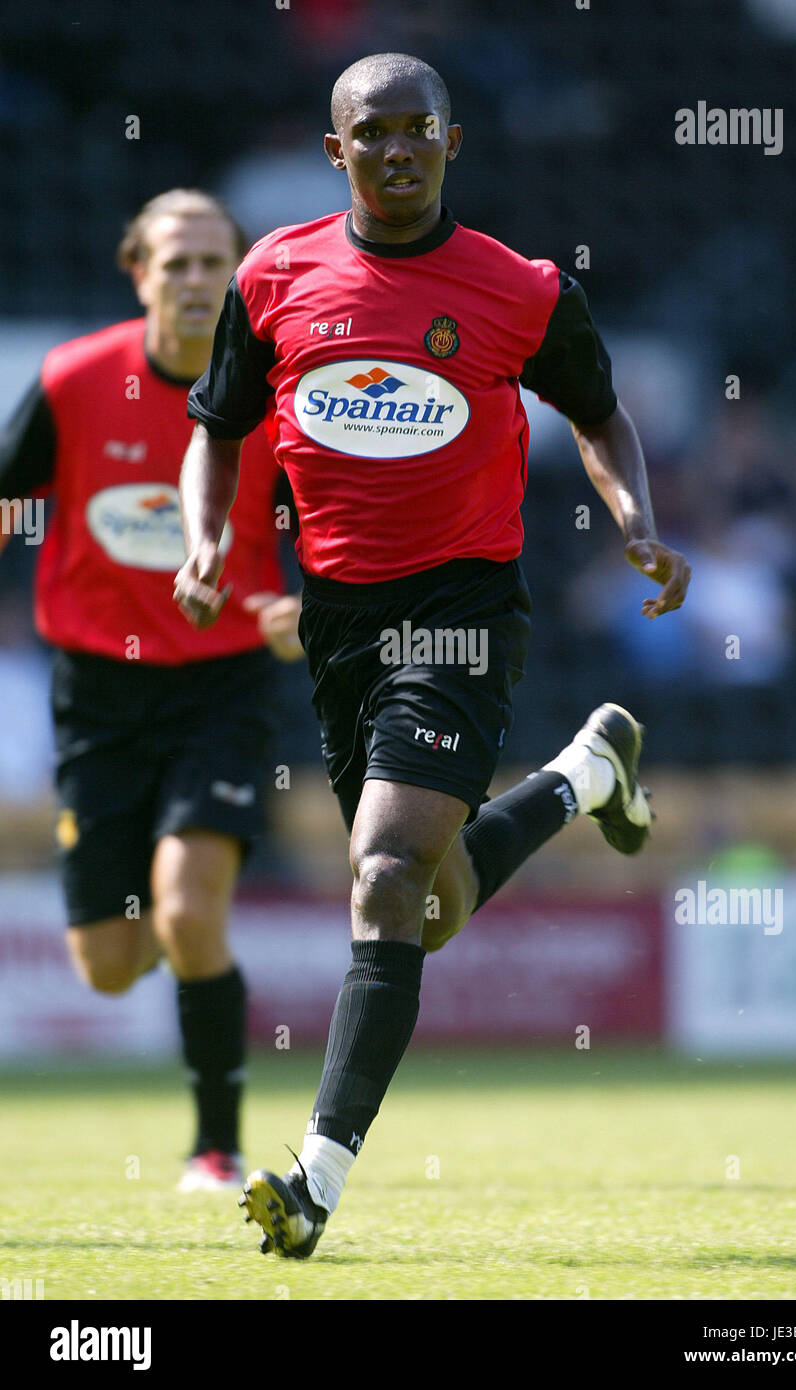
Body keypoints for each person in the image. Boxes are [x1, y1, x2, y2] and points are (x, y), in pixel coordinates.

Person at [174, 54, 690, 1256]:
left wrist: (634, 522)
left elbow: (598, 409)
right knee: (428, 903)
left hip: (460, 613)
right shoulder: (273, 275)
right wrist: (205, 541)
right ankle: (583, 778)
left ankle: (313, 1179)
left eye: (418, 131)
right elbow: (215, 426)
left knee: (380, 875)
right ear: (333, 151)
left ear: (452, 144)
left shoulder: (516, 288)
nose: (396, 150)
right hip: (339, 624)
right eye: (372, 134)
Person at [0, 189, 304, 1191]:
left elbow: (333, 539)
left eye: (213, 262)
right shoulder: (75, 380)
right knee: (110, 962)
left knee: (188, 911)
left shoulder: (273, 400)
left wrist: (305, 612)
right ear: (138, 273)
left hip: (220, 690)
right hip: (97, 698)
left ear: (240, 282)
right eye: (174, 262)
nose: (193, 280)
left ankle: (215, 1146)